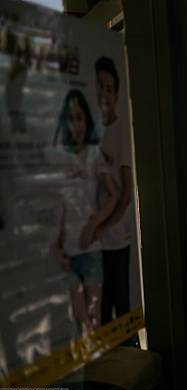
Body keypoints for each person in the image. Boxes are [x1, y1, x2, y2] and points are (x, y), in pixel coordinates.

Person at [51, 89, 118, 334]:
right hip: (68, 253)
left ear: (86, 119)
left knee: (94, 321)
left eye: (79, 117)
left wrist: (93, 225)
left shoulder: (93, 154)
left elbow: (114, 196)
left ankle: (96, 370)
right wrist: (56, 245)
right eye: (70, 118)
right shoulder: (60, 159)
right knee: (80, 324)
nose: (75, 124)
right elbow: (59, 206)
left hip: (90, 250)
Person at [93, 56, 135, 324]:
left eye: (109, 88)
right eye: (100, 86)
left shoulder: (120, 131)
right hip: (98, 241)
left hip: (116, 240)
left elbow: (126, 194)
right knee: (103, 308)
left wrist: (102, 228)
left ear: (117, 94)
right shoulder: (94, 130)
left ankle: (131, 360)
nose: (104, 93)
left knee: (121, 309)